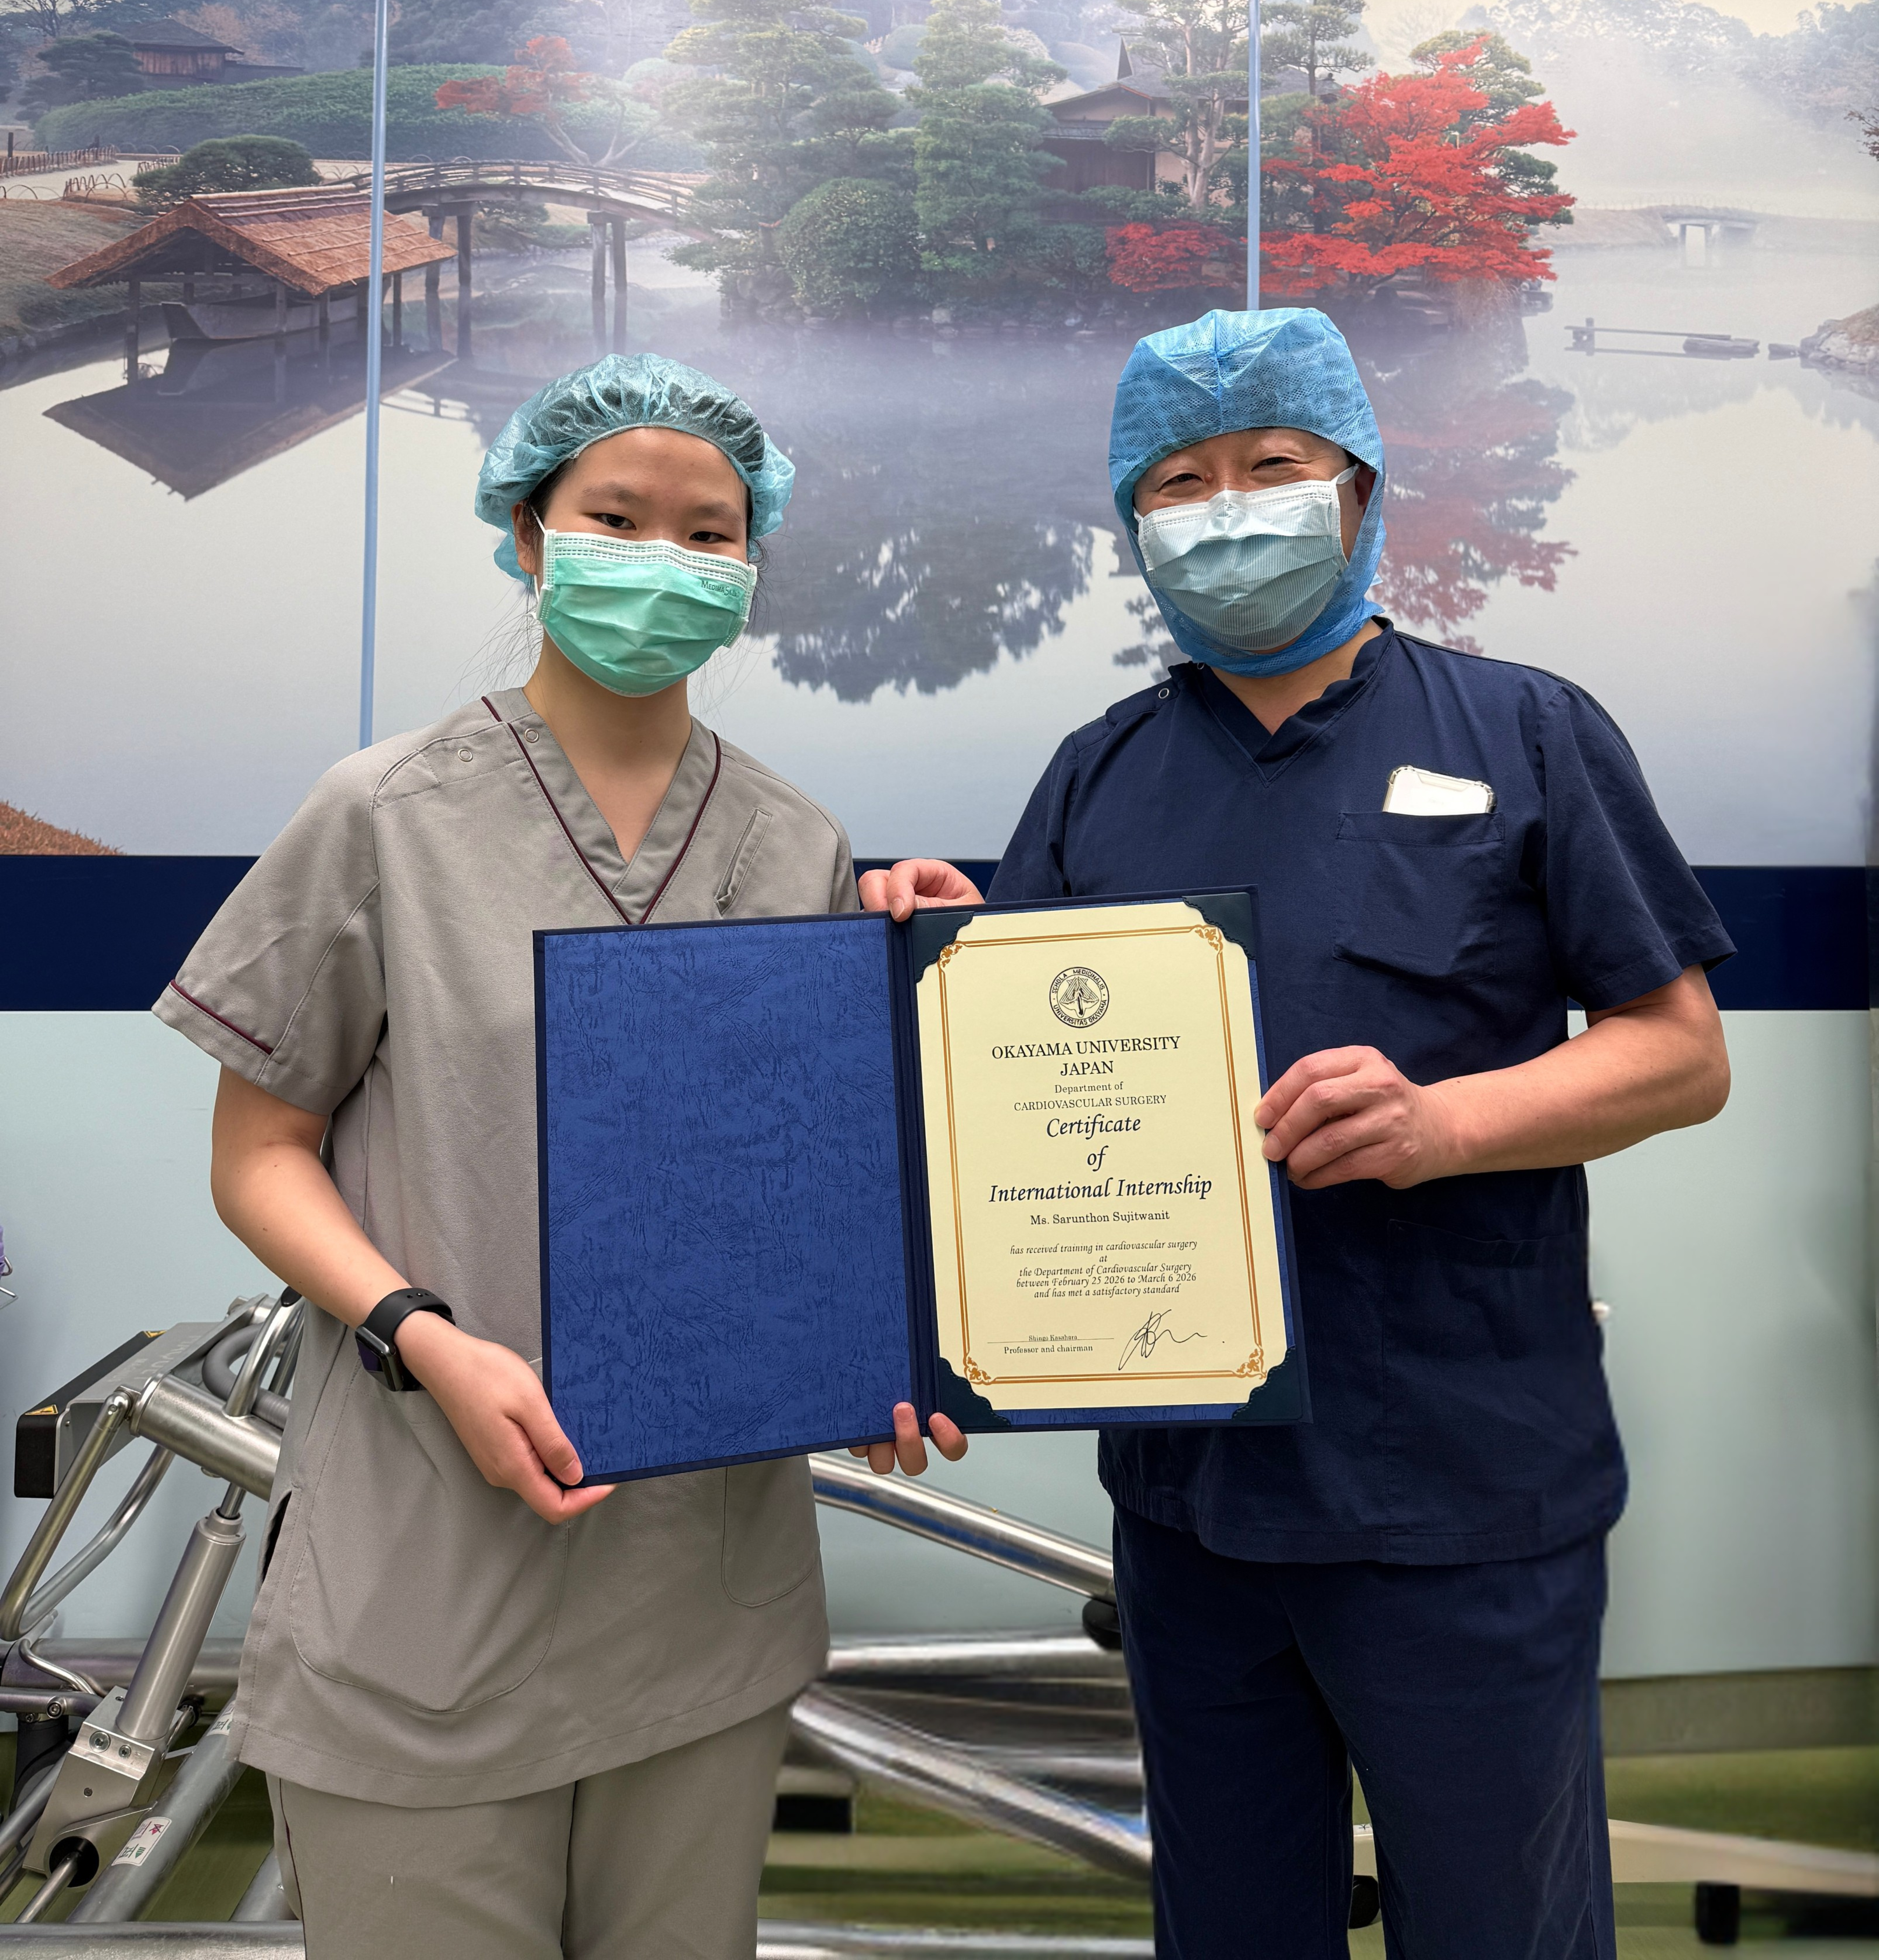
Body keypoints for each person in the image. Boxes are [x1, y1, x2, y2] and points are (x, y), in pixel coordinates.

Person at [862, 306, 1731, 1960]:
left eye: (1272, 466)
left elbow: (1676, 1056)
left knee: (1500, 1927)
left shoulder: (1524, 732)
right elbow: (998, 1111)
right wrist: (919, 939)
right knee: (1232, 1929)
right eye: (1180, 482)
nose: (1229, 507)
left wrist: (1447, 1121)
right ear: (1134, 529)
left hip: (1463, 1490)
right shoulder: (1098, 774)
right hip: (1196, 1509)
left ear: (1359, 485)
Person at [157, 353, 963, 1960]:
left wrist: (916, 988)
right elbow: (261, 1155)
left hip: (698, 1592)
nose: (659, 559)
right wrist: (422, 1336)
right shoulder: (381, 813)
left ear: (750, 568)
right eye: (615, 515)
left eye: (707, 531)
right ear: (528, 534)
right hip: (426, 1569)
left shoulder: (796, 842)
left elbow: (806, 1185)